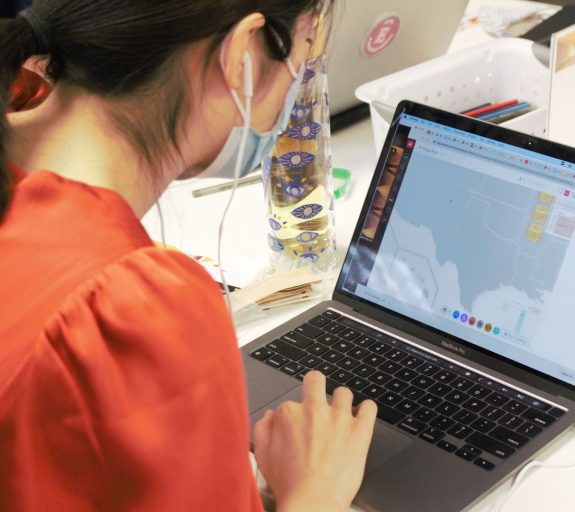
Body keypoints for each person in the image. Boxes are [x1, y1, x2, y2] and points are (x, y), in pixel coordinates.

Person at [0, 2, 378, 511]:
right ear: (243, 55)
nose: (296, 92)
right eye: (305, 60)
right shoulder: (136, 306)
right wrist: (316, 493)